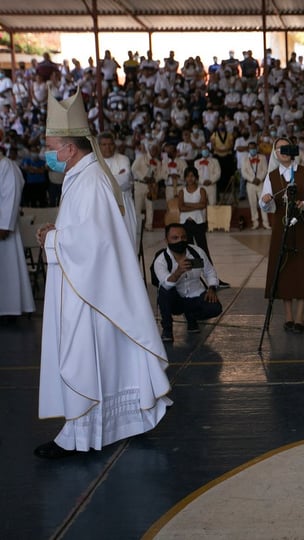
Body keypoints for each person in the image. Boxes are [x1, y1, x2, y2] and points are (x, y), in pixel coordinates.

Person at [34, 91, 171, 459]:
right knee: (105, 357)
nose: (45, 153)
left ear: (69, 149)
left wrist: (52, 239)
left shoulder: (91, 179)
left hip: (88, 290)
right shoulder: (82, 174)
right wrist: (58, 234)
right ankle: (123, 422)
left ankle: (79, 434)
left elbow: (91, 244)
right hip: (88, 285)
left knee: (86, 357)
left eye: (50, 147)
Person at [259, 138, 304, 333]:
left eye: (286, 147)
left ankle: (300, 317)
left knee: (301, 269)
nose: (283, 151)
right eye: (279, 148)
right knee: (284, 269)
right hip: (282, 225)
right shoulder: (272, 176)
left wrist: (303, 204)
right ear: (275, 152)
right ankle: (288, 315)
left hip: (302, 224)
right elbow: (266, 203)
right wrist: (265, 201)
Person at [154, 223, 222, 342]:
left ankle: (192, 317)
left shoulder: (196, 253)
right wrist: (178, 272)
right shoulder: (162, 260)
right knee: (164, 293)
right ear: (166, 240)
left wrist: (211, 288)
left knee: (215, 308)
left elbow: (209, 271)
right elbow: (165, 284)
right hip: (176, 300)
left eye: (183, 237)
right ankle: (167, 328)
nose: (180, 241)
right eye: (175, 238)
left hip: (196, 294)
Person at [0, 149, 35, 319]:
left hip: (3, 228)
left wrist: (5, 226)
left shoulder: (6, 165)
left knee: (7, 269)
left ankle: (9, 310)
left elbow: (11, 196)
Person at [99, 132, 138, 253]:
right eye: (104, 144)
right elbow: (94, 183)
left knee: (126, 242)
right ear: (98, 146)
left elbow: (124, 180)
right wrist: (115, 177)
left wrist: (102, 179)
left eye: (110, 144)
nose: (108, 147)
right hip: (102, 205)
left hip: (123, 204)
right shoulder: (94, 162)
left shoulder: (123, 159)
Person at [240, 141, 269, 229]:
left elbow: (265, 169)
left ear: (256, 148)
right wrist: (252, 179)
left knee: (263, 203)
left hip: (260, 183)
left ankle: (266, 222)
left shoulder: (262, 157)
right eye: (250, 148)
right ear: (248, 149)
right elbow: (243, 172)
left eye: (254, 148)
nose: (252, 150)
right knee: (252, 203)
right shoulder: (244, 159)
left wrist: (259, 178)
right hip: (250, 184)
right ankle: (255, 222)